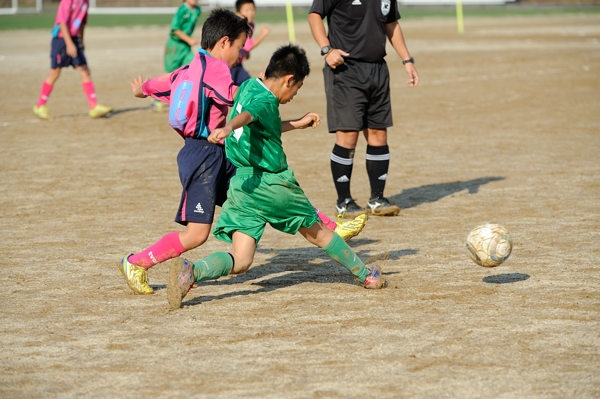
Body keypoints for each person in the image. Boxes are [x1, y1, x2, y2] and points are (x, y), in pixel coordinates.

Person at [119, 10, 366, 296]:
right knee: (197, 234)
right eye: (239, 47)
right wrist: (262, 86)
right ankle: (136, 263)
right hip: (203, 156)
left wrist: (141, 90)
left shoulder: (187, 69)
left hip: (220, 154)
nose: (240, 54)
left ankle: (329, 227)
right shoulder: (217, 69)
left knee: (263, 183)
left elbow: (158, 84)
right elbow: (238, 98)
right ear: (224, 43)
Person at [167, 44, 386, 310]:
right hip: (272, 184)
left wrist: (297, 122)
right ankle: (367, 275)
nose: (294, 95)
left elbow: (261, 123)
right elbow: (250, 116)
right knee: (320, 234)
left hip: (242, 186)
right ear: (288, 79)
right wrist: (228, 127)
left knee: (241, 259)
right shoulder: (266, 100)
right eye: (297, 88)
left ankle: (193, 272)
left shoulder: (248, 86)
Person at [307, 0, 419, 218]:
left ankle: (377, 199)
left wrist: (407, 60)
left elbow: (392, 24)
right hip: (345, 70)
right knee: (348, 135)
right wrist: (326, 49)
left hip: (377, 69)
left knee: (378, 133)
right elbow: (314, 15)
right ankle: (344, 201)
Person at [33, 0, 112, 120]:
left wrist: (81, 40)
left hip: (74, 39)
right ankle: (40, 106)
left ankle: (94, 106)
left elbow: (82, 23)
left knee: (84, 70)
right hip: (61, 39)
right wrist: (69, 44)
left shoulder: (85, 2)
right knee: (55, 72)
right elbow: (62, 23)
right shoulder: (67, 1)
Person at [152, 0, 202, 112]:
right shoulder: (182, 10)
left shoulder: (197, 10)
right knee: (169, 75)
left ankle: (187, 98)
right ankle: (155, 98)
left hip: (185, 47)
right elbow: (175, 29)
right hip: (174, 46)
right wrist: (189, 39)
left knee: (193, 69)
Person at [231, 0, 271, 86]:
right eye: (247, 10)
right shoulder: (237, 25)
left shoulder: (251, 25)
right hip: (229, 65)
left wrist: (245, 52)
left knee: (247, 85)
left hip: (238, 64)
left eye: (252, 10)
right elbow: (248, 45)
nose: (250, 13)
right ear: (238, 13)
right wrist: (263, 34)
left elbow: (244, 44)